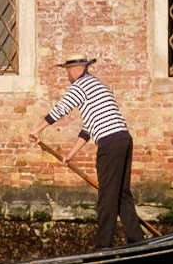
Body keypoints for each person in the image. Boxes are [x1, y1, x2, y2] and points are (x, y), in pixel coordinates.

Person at [32, 56, 145, 251]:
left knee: (107, 196)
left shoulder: (81, 86)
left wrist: (37, 129)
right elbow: (88, 129)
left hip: (109, 144)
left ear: (78, 69)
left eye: (68, 69)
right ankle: (137, 240)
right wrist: (70, 155)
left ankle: (103, 246)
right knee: (122, 194)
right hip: (124, 140)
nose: (67, 74)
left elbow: (61, 109)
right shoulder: (97, 86)